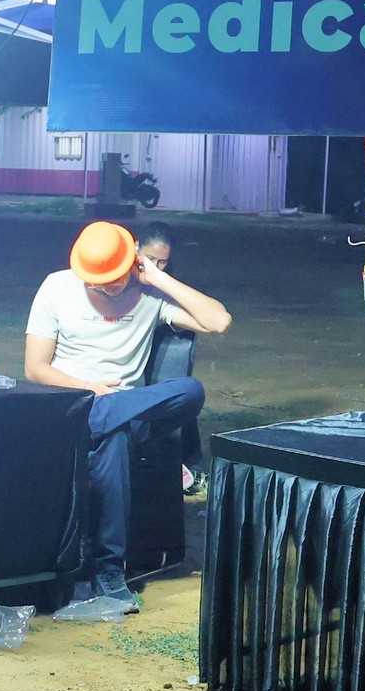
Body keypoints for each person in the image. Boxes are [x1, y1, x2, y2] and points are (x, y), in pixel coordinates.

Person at [24, 219, 231, 622]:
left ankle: (107, 417)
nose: (108, 287)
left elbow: (219, 321)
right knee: (113, 436)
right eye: (97, 282)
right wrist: (88, 388)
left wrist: (156, 277)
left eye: (115, 278)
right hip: (72, 405)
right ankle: (109, 571)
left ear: (132, 259)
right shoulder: (56, 287)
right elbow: (35, 368)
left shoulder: (149, 292)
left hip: (127, 409)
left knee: (190, 390)